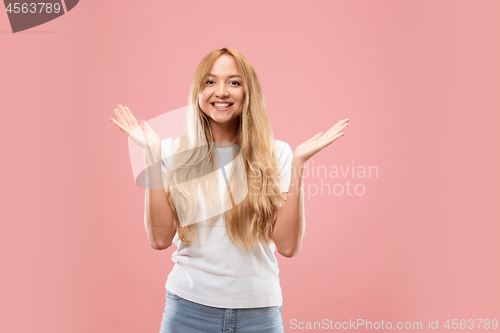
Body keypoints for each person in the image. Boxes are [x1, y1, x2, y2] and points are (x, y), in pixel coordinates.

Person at [110, 47, 349, 333]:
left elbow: (287, 246)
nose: (221, 91)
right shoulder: (172, 152)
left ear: (248, 93)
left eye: (233, 82)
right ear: (198, 92)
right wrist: (151, 155)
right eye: (210, 82)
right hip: (188, 312)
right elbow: (160, 239)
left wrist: (298, 164)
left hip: (259, 316)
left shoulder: (277, 154)